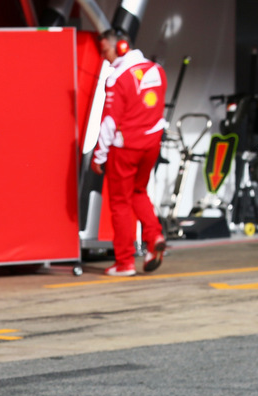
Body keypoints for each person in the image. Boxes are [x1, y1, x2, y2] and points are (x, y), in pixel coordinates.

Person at [91, 30, 167, 276]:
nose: (105, 57)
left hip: (125, 148)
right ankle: (154, 236)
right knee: (139, 192)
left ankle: (124, 262)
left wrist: (98, 156)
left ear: (121, 47)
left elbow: (109, 123)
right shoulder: (157, 70)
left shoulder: (117, 78)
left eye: (106, 51)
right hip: (151, 146)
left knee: (120, 203)